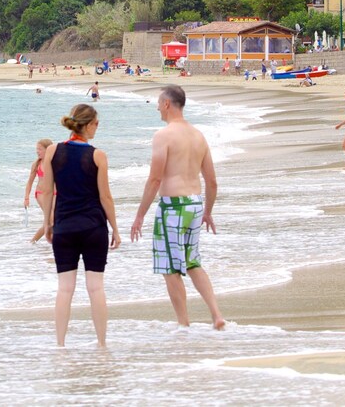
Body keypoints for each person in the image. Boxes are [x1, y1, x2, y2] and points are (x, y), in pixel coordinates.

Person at [130, 85, 225, 330]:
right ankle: (216, 314)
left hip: (172, 207)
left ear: (168, 104)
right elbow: (212, 181)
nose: (158, 108)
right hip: (194, 203)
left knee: (170, 268)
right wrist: (208, 212)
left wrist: (140, 215)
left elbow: (154, 179)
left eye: (159, 103)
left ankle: (183, 324)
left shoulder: (164, 136)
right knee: (192, 262)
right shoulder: (198, 135)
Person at [38, 104, 121, 348]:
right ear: (87, 125)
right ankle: (102, 344)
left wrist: (47, 223)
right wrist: (115, 228)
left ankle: (60, 345)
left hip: (64, 227)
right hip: (94, 228)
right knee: (96, 288)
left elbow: (45, 191)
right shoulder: (98, 155)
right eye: (96, 123)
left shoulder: (53, 151)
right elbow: (105, 197)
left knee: (65, 289)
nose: (98, 127)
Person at [24, 139, 54, 243]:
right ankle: (58, 243)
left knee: (52, 221)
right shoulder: (36, 164)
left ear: (48, 150)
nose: (37, 151)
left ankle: (33, 241)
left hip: (54, 193)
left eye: (40, 149)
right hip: (41, 194)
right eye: (37, 149)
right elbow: (29, 183)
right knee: (52, 220)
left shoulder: (55, 163)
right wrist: (26, 198)